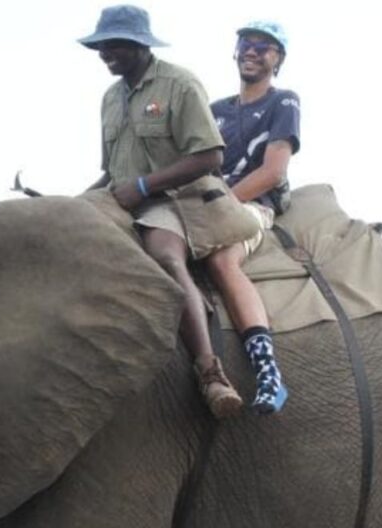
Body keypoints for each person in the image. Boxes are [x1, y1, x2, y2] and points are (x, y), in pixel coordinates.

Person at [78, 5, 254, 419]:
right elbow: (110, 171)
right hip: (123, 199)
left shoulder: (179, 84)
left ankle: (210, 372)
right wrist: (70, 204)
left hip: (175, 199)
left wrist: (143, 186)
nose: (105, 53)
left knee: (165, 259)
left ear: (141, 45)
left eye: (115, 44)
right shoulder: (110, 98)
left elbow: (210, 155)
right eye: (101, 46)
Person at [206, 20, 299, 414]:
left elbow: (273, 171)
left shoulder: (283, 102)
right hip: (202, 199)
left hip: (248, 203)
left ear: (278, 59)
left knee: (222, 259)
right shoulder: (214, 110)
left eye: (265, 47)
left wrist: (220, 201)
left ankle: (268, 371)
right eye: (246, 42)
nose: (252, 50)